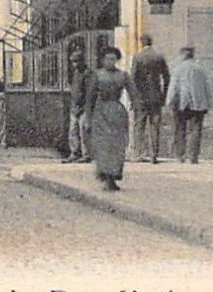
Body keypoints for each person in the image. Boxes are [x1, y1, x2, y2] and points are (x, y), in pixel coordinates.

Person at [85, 46, 139, 192]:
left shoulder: (123, 75)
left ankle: (114, 175)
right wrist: (87, 118)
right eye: (108, 59)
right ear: (103, 60)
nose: (111, 61)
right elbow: (90, 98)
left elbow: (133, 93)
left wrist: (136, 106)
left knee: (117, 144)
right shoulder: (97, 75)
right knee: (103, 144)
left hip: (117, 112)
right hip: (101, 112)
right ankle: (106, 176)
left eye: (113, 59)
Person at [165, 44, 213, 164]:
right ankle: (193, 156)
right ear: (193, 55)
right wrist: (211, 102)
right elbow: (207, 87)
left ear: (182, 55)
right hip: (198, 104)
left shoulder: (177, 69)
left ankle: (180, 155)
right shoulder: (200, 69)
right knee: (196, 130)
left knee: (179, 129)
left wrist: (169, 102)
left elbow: (173, 88)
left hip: (181, 103)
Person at [130, 34, 170, 163]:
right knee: (155, 125)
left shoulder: (137, 57)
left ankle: (138, 153)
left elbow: (133, 78)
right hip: (156, 96)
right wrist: (164, 95)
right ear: (151, 42)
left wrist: (133, 97)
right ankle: (154, 155)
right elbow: (167, 77)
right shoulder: (159, 57)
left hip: (141, 97)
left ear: (141, 43)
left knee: (139, 125)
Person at [63, 48, 94, 164]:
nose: (74, 64)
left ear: (82, 61)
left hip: (84, 107)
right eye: (73, 62)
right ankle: (74, 153)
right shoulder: (76, 73)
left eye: (76, 61)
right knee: (73, 131)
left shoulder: (87, 73)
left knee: (83, 131)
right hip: (75, 107)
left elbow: (90, 92)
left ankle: (86, 154)